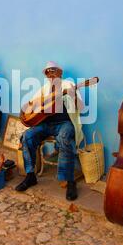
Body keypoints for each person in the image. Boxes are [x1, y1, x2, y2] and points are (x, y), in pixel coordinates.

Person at [16, 61, 84, 201]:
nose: (50, 74)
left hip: (64, 123)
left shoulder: (69, 86)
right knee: (27, 136)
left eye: (53, 70)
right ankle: (30, 175)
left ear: (60, 72)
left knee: (65, 137)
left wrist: (74, 96)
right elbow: (31, 105)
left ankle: (69, 180)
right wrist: (27, 111)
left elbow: (81, 108)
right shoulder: (43, 89)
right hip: (45, 125)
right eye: (47, 71)